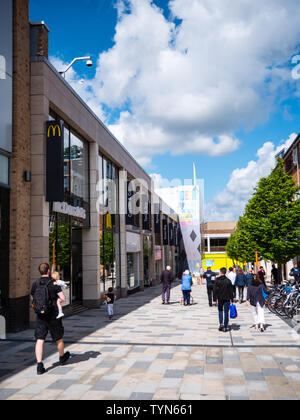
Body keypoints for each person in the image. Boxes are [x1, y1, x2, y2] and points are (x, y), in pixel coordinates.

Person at [31, 263, 70, 375]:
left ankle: (39, 365)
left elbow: (32, 298)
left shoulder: (35, 284)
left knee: (39, 339)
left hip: (40, 316)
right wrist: (57, 300)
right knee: (58, 338)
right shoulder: (54, 283)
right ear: (48, 271)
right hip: (53, 315)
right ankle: (62, 357)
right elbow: (63, 298)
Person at [213, 267, 234, 333]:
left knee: (220, 311)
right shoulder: (228, 281)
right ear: (225, 272)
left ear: (220, 272)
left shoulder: (217, 280)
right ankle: (225, 326)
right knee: (226, 312)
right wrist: (232, 298)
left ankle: (221, 324)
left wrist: (214, 299)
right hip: (227, 298)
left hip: (220, 298)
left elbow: (214, 290)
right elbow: (231, 291)